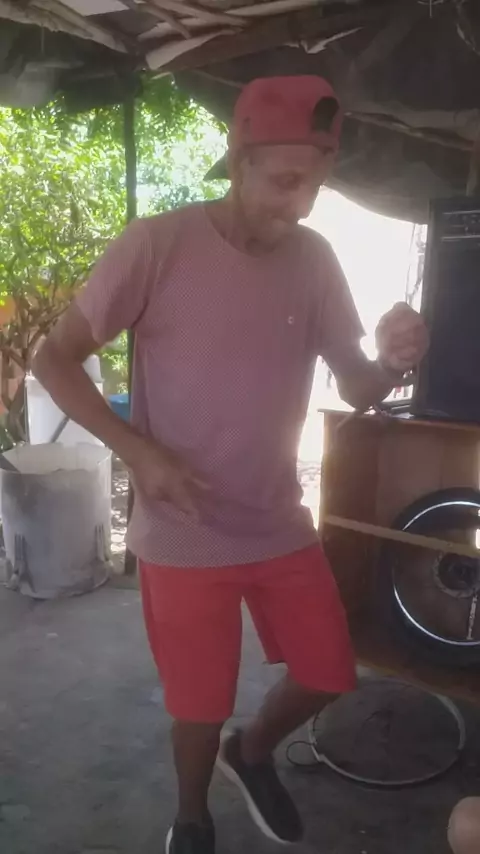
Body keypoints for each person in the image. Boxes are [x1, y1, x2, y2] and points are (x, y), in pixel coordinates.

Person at [33, 75, 429, 854]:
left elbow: (356, 385)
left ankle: (249, 753)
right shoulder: (157, 245)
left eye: (314, 183)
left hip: (277, 521)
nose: (301, 204)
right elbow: (54, 358)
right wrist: (139, 452)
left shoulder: (314, 259)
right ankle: (190, 815)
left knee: (329, 671)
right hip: (183, 530)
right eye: (285, 181)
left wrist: (390, 362)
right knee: (198, 703)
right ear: (238, 160)